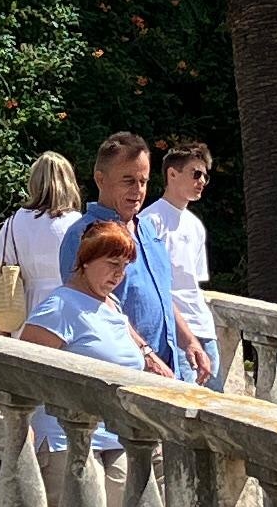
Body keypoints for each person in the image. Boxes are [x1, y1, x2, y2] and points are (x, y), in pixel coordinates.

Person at [20, 215, 168, 449]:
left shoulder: (111, 303)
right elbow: (20, 373)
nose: (119, 274)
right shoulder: (60, 306)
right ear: (86, 260)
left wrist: (150, 358)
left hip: (118, 438)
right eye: (112, 263)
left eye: (124, 266)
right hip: (66, 441)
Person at [73, 131, 206, 386]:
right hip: (122, 376)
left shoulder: (146, 227)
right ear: (100, 179)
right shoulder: (85, 234)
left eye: (143, 182)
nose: (138, 191)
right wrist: (146, 354)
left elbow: (162, 293)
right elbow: (92, 306)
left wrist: (189, 340)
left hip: (168, 369)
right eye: (128, 181)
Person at [138, 138, 220, 389]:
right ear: (172, 174)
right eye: (196, 174)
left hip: (204, 328)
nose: (202, 181)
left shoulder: (195, 225)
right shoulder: (149, 221)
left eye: (205, 176)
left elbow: (193, 282)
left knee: (216, 408)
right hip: (175, 333)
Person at [0, 153, 82, 332]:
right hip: (65, 306)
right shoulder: (75, 222)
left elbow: (2, 264)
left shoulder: (14, 221)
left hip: (25, 305)